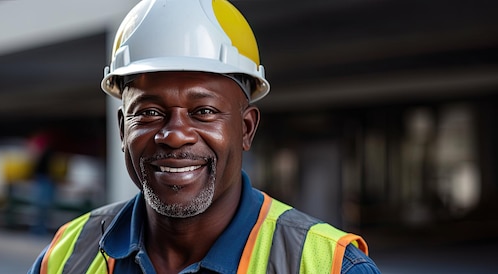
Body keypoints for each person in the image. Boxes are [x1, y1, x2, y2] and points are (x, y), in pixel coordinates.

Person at [29, 0, 380, 273]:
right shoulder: (66, 256)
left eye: (204, 112)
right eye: (150, 112)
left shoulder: (331, 267)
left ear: (246, 129)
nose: (175, 136)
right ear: (122, 129)